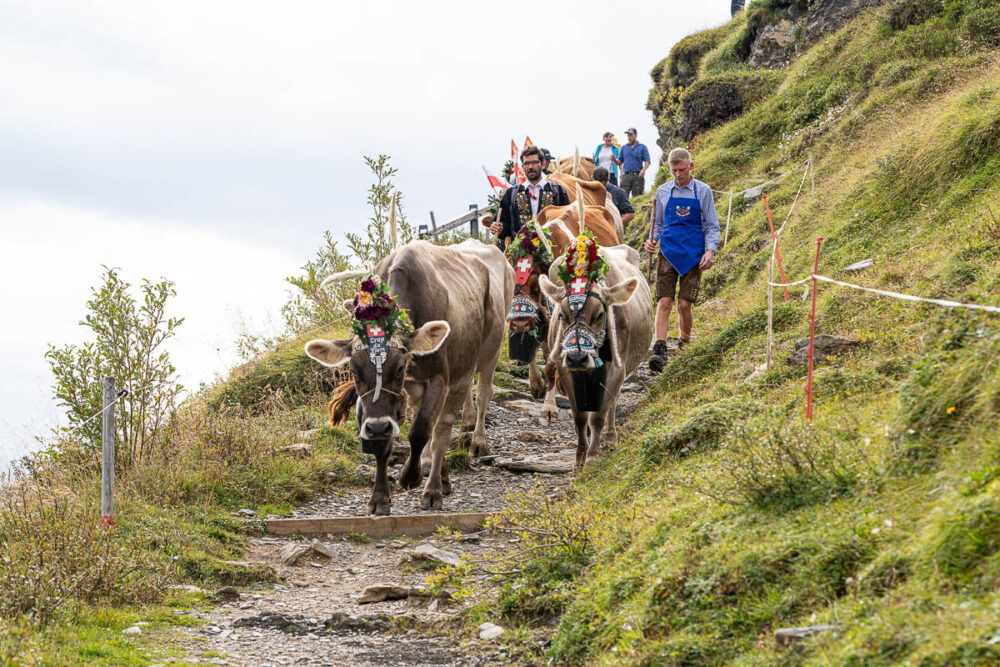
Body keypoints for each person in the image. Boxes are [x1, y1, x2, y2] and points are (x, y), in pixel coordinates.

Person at [643, 148, 720, 373]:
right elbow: (657, 225)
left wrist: (711, 251)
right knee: (664, 301)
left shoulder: (703, 191)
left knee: (684, 304)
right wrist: (651, 241)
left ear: (691, 166)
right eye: (674, 170)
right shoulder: (663, 192)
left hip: (694, 253)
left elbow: (713, 226)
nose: (678, 174)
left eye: (682, 170)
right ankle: (659, 348)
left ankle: (685, 343)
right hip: (668, 251)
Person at [490, 146, 570, 247]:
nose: (531, 166)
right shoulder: (511, 194)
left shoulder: (557, 191)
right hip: (520, 253)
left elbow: (568, 221)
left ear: (543, 164)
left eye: (535, 162)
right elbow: (504, 223)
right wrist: (499, 228)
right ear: (522, 167)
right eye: (527, 163)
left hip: (552, 253)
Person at [617, 127, 651, 198]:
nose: (629, 137)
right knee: (622, 197)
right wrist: (614, 159)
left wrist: (643, 170)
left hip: (638, 176)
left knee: (637, 197)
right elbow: (619, 161)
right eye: (628, 135)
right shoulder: (623, 147)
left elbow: (647, 161)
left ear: (635, 135)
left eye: (630, 135)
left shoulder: (642, 147)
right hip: (626, 175)